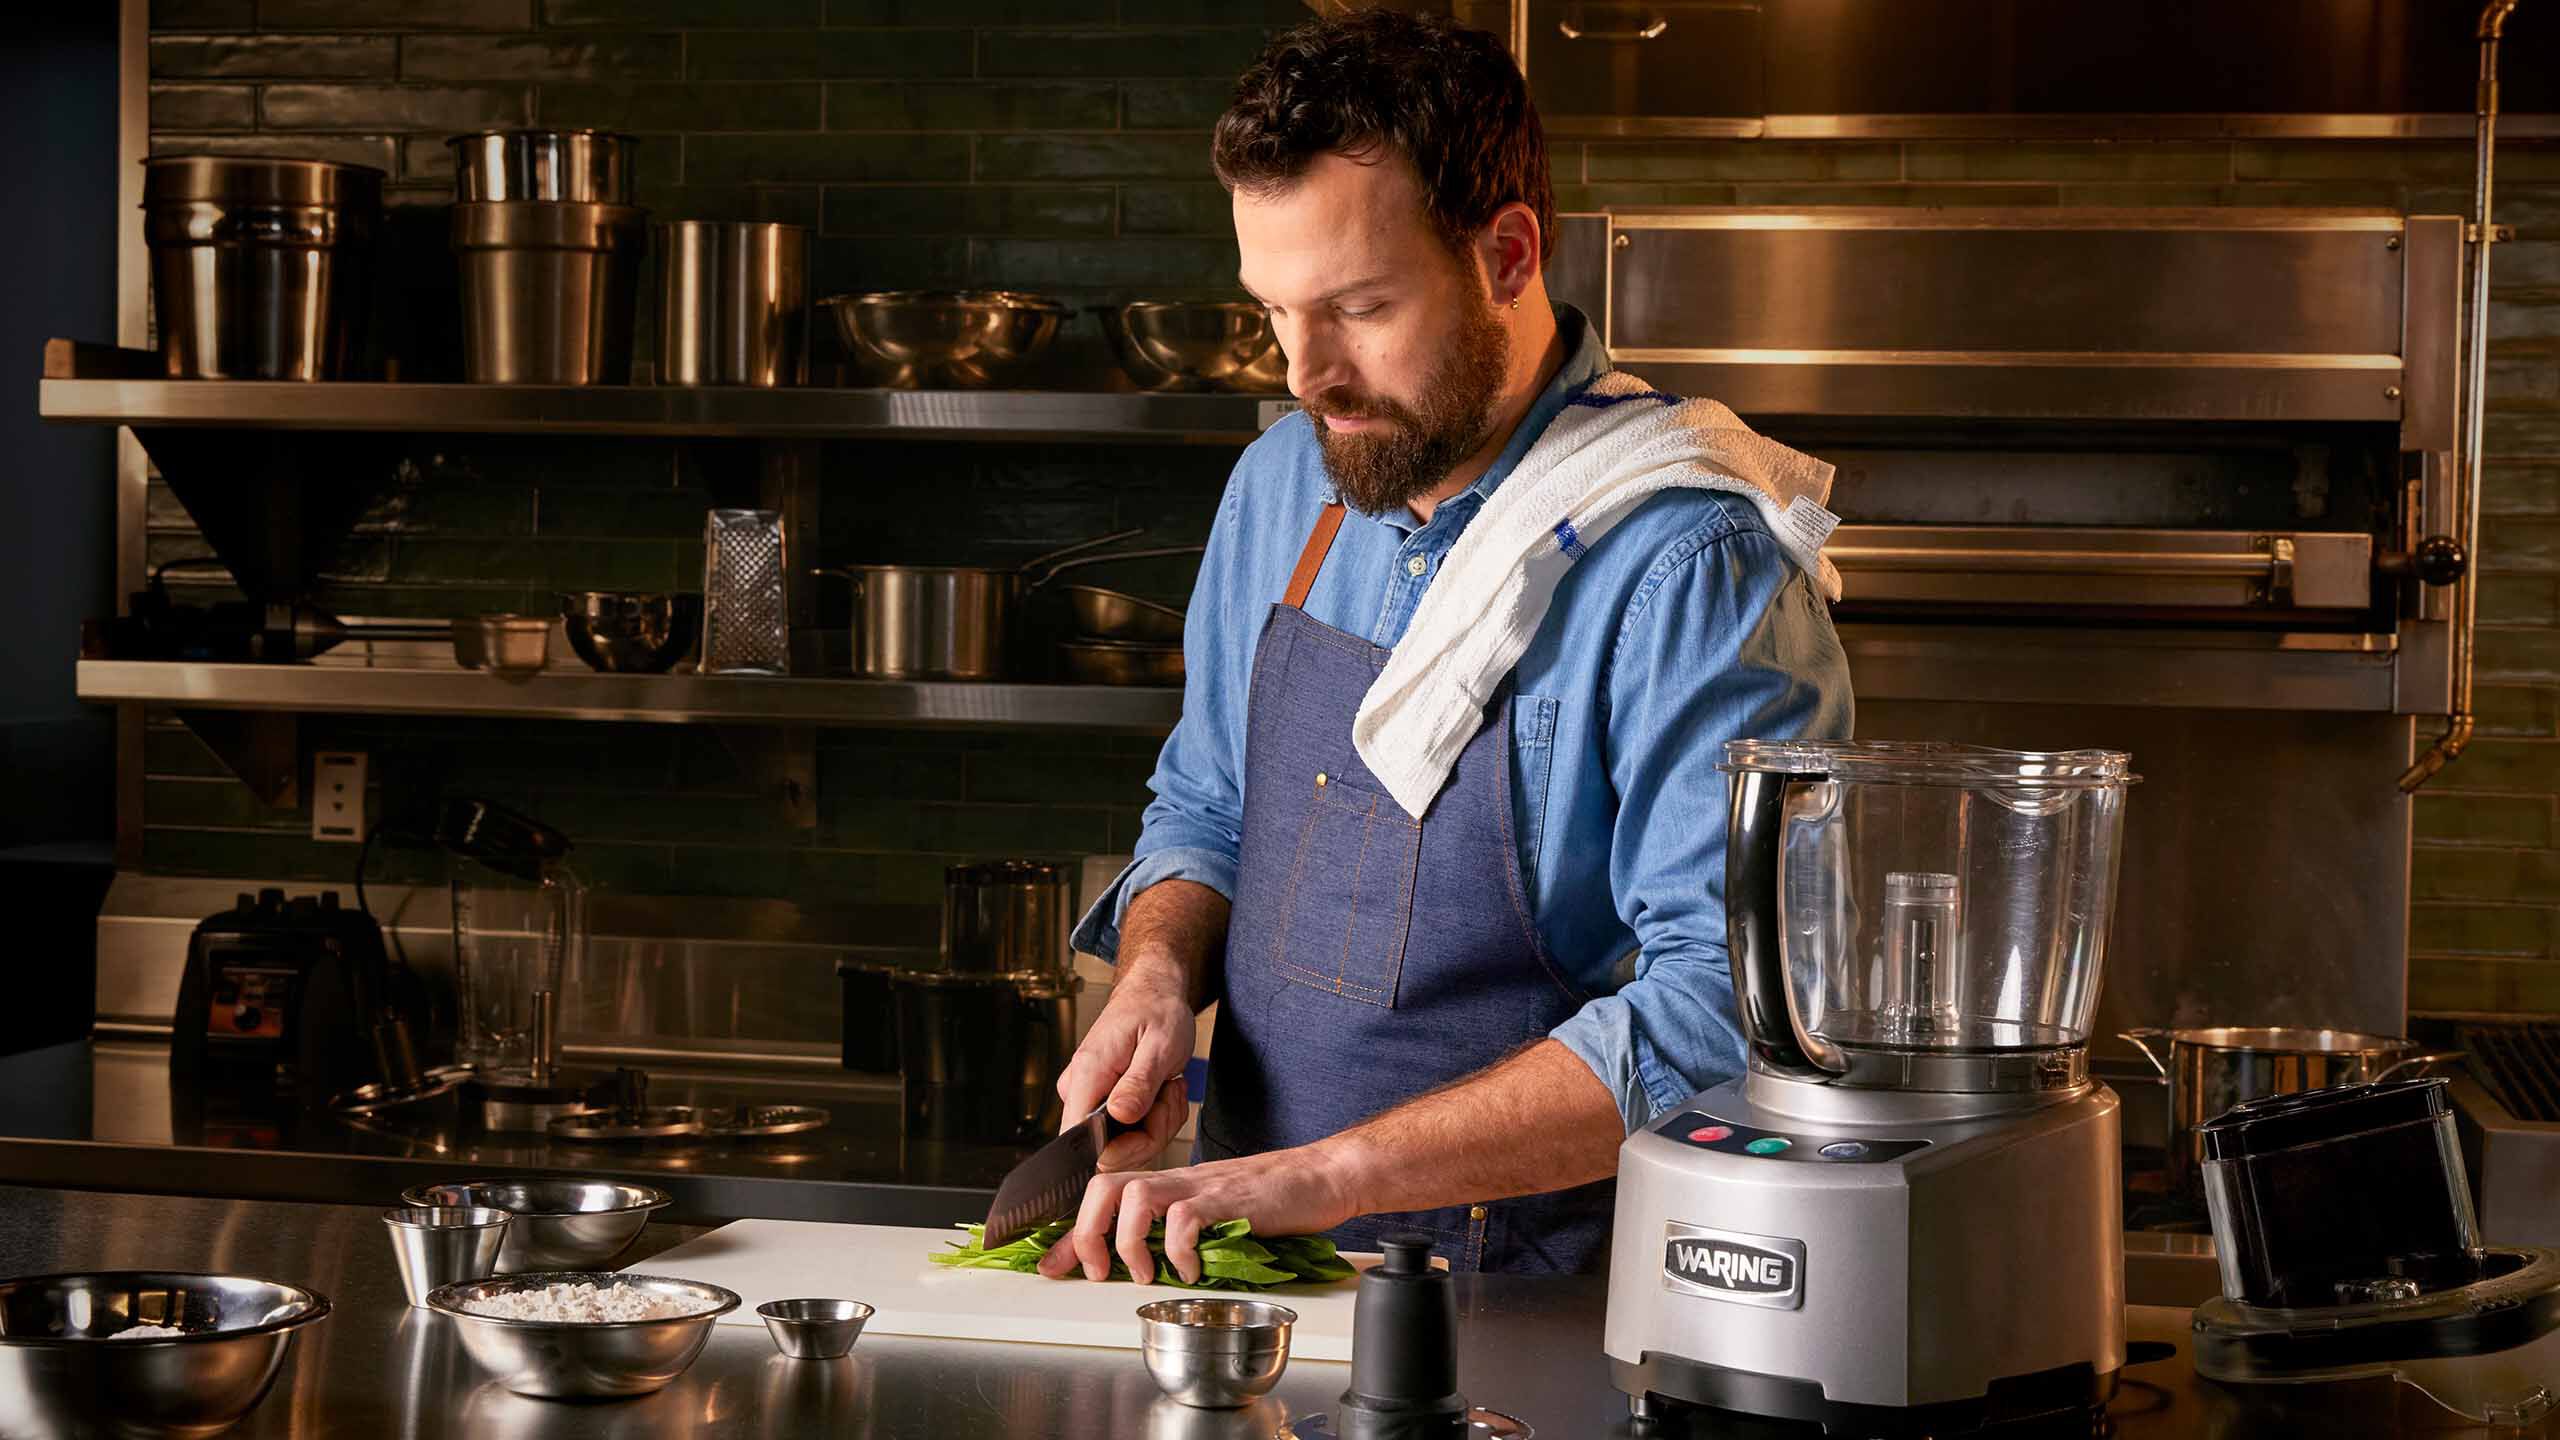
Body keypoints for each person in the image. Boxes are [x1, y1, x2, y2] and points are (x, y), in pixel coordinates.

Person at [1042, 9, 1852, 1283]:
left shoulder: (1691, 564)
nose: (1306, 373)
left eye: (1360, 308)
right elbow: (1206, 807)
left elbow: (1728, 1012)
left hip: (1550, 1306)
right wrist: (1152, 977)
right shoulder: (1281, 487)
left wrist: (1327, 1175)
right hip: (1238, 1276)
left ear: (1507, 254)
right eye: (1274, 313)